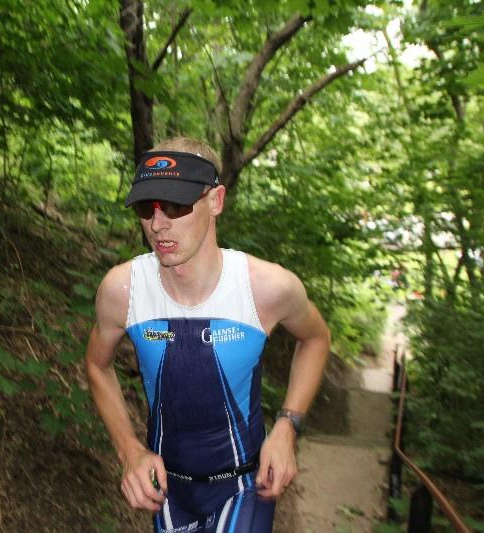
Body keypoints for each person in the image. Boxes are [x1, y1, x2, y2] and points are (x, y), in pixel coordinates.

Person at [85, 137, 331, 532]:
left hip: (246, 486)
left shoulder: (265, 288)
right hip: (169, 493)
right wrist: (128, 449)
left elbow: (316, 339)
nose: (157, 224)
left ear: (215, 201)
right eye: (147, 208)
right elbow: (97, 365)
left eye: (176, 205)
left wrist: (288, 424)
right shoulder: (122, 290)